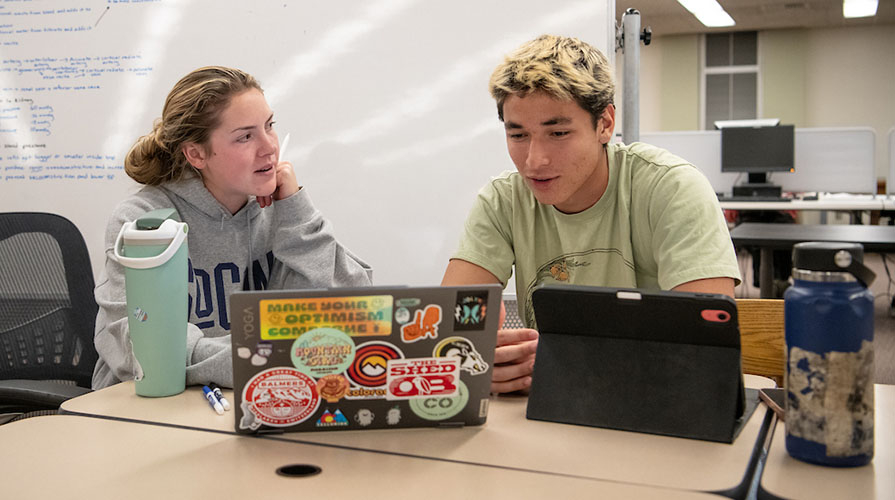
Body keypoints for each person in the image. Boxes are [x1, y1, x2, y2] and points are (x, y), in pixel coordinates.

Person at [442, 35, 740, 394]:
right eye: (518, 134)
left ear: (605, 123)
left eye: (559, 132)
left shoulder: (672, 188)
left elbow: (704, 344)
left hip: (656, 404)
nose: (534, 161)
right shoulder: (502, 201)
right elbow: (453, 327)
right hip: (550, 410)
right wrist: (479, 363)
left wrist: (568, 362)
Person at [92, 66, 372, 390]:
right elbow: (143, 348)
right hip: (149, 411)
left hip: (254, 397)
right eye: (245, 136)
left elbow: (357, 315)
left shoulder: (282, 211)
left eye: (269, 126)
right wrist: (263, 359)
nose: (269, 147)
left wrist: (298, 213)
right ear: (196, 153)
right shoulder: (143, 223)